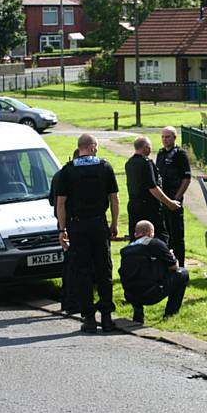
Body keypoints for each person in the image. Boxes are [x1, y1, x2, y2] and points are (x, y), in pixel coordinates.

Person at [56, 134, 119, 333]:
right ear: (92, 147)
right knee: (104, 269)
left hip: (78, 226)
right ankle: (107, 317)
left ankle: (89, 318)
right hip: (99, 223)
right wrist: (114, 223)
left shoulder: (68, 171)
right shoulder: (105, 167)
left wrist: (62, 228)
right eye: (97, 146)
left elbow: (61, 203)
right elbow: (114, 198)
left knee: (82, 271)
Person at [119, 220, 189, 325]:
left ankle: (138, 311)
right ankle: (170, 314)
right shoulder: (155, 243)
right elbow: (174, 266)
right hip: (151, 293)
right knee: (183, 273)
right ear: (151, 233)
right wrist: (171, 256)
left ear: (135, 234)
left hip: (130, 295)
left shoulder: (125, 250)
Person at [125, 136, 180, 244]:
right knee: (160, 237)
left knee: (136, 237)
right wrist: (169, 203)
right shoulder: (146, 163)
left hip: (134, 205)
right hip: (149, 207)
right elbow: (153, 187)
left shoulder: (129, 163)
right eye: (149, 147)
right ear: (145, 148)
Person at [49, 149, 81, 314]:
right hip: (71, 223)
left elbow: (51, 201)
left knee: (69, 263)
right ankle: (72, 301)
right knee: (74, 264)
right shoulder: (71, 175)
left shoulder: (58, 175)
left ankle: (67, 300)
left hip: (62, 223)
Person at [156, 126, 191, 267]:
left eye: (168, 137)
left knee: (176, 235)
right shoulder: (160, 153)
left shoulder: (180, 154)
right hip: (162, 199)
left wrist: (177, 198)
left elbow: (187, 178)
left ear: (175, 138)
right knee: (164, 234)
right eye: (163, 137)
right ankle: (167, 264)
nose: (165, 140)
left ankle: (180, 266)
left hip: (174, 199)